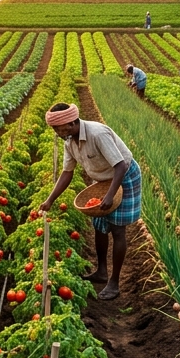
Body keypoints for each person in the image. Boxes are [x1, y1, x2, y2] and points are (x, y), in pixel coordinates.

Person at [38, 102, 142, 301]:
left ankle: (114, 282)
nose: (57, 132)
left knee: (118, 229)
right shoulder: (69, 142)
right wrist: (50, 200)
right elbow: (67, 173)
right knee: (100, 226)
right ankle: (101, 271)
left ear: (70, 123)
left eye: (58, 128)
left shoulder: (96, 134)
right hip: (103, 178)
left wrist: (110, 195)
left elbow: (120, 165)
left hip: (125, 176)